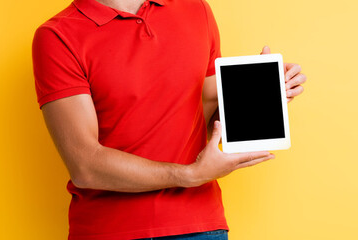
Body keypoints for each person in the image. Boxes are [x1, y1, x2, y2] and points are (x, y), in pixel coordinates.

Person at [31, 0, 306, 238]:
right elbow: (85, 165)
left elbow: (209, 114)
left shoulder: (195, 10)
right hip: (110, 231)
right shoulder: (57, 36)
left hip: (200, 226)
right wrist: (189, 175)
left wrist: (259, 97)